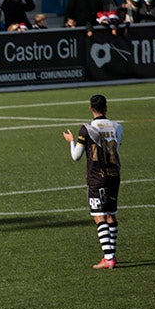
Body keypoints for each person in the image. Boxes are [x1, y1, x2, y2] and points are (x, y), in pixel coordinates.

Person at [61, 94, 122, 269]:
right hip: (114, 175)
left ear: (90, 109)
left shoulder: (86, 129)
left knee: (98, 215)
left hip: (97, 177)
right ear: (106, 108)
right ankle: (112, 254)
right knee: (111, 214)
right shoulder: (118, 127)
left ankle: (108, 258)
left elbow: (76, 157)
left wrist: (71, 142)